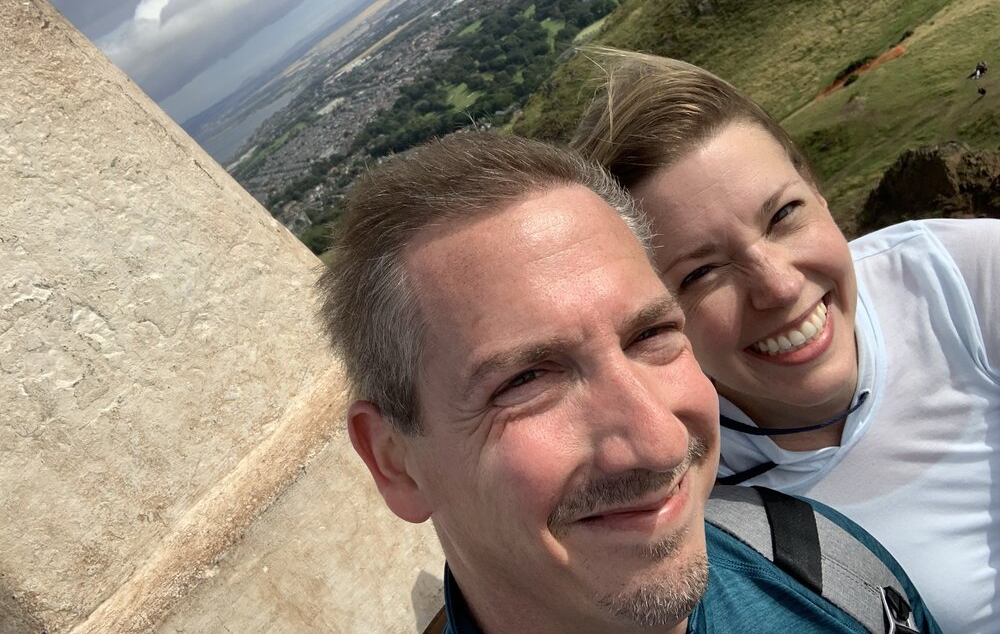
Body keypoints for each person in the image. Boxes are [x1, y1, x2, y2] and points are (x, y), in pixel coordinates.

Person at [317, 133, 940, 633]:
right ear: (394, 460)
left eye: (651, 336)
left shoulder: (824, 565)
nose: (661, 443)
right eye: (526, 380)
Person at [572, 47, 1000, 634]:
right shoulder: (675, 490)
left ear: (820, 194)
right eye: (701, 273)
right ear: (653, 322)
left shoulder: (962, 280)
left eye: (784, 215)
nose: (777, 285)